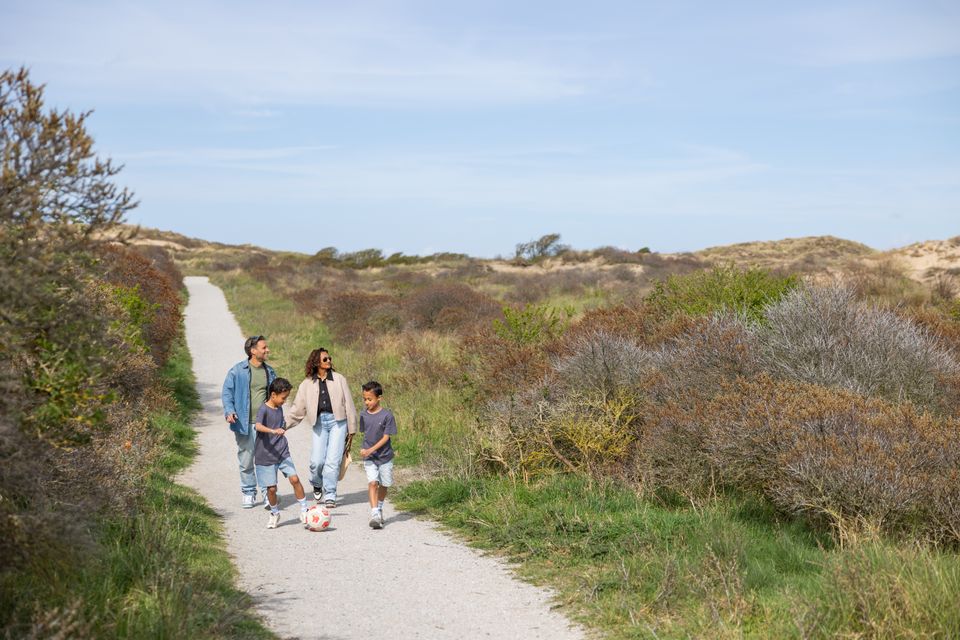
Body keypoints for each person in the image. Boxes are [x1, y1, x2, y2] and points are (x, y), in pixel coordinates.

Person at [287, 347, 358, 509]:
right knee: (317, 462)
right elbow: (297, 409)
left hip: (338, 422)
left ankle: (331, 494)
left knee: (332, 461)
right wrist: (281, 426)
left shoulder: (340, 379)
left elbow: (349, 404)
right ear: (316, 362)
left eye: (329, 358)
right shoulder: (306, 384)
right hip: (319, 423)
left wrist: (352, 428)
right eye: (325, 359)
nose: (329, 361)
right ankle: (317, 483)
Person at [222, 335, 276, 508]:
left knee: (267, 460)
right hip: (244, 424)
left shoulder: (270, 372)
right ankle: (248, 492)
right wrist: (229, 411)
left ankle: (268, 493)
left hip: (265, 424)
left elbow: (276, 397)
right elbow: (227, 393)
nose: (267, 350)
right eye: (264, 347)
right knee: (246, 459)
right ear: (253, 351)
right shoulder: (237, 371)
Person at [254, 377, 310, 529]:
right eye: (283, 398)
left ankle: (305, 510)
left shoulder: (278, 408)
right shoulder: (264, 409)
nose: (284, 401)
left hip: (282, 452)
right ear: (273, 395)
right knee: (271, 489)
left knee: (295, 479)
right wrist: (272, 431)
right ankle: (274, 513)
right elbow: (258, 426)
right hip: (265, 455)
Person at [359, 380, 397, 530]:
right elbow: (365, 434)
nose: (366, 402)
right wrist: (365, 450)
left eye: (370, 399)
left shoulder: (387, 415)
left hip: (385, 456)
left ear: (379, 398)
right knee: (373, 482)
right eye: (364, 399)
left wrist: (371, 449)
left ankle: (380, 507)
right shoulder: (363, 415)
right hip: (369, 457)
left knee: (385, 484)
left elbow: (386, 438)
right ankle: (374, 513)